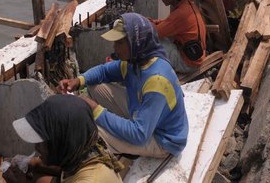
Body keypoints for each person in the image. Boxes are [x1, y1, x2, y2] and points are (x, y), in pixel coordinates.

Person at [57, 13, 188, 159]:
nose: (114, 47)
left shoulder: (156, 81)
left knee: (89, 130)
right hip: (145, 117)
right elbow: (104, 71)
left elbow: (140, 135)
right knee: (95, 87)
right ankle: (118, 132)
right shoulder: (136, 61)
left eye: (119, 42)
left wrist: (96, 110)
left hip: (162, 139)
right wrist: (78, 80)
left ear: (135, 42)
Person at [5, 94, 123, 183]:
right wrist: (33, 163)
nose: (36, 147)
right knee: (40, 180)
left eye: (42, 142)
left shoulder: (89, 180)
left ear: (63, 143)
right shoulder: (85, 150)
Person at [150, 0, 207, 74]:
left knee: (153, 38)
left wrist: (144, 23)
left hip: (188, 64)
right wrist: (154, 22)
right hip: (196, 56)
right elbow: (169, 22)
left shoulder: (180, 14)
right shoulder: (187, 6)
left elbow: (155, 32)